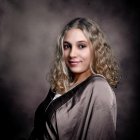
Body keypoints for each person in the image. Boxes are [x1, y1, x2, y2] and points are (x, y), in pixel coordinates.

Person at [28, 17, 120, 140]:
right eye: (67, 46)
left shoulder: (98, 88)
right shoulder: (62, 85)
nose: (72, 54)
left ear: (95, 49)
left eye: (81, 46)